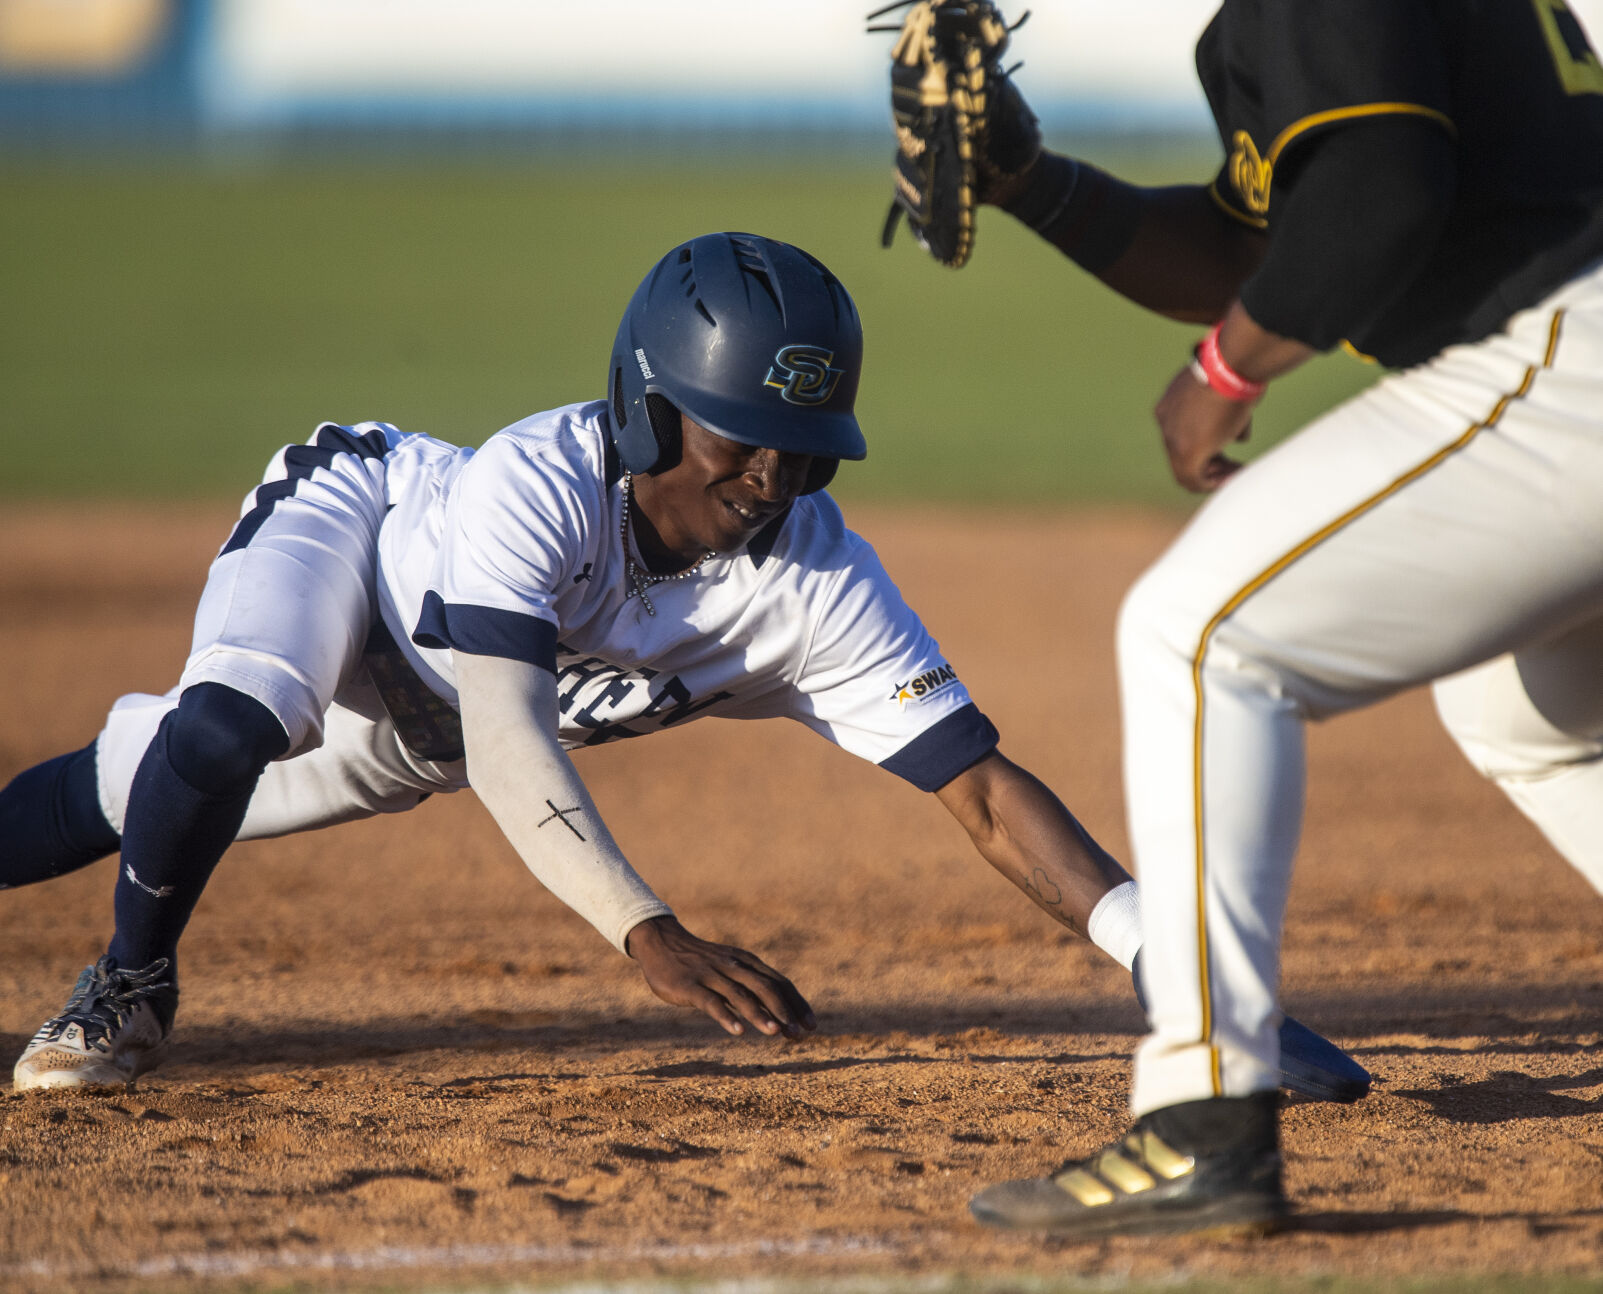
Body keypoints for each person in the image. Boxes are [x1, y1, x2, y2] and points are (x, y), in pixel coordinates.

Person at [0, 231, 1361, 1100]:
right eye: (737, 435)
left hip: (426, 726)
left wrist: (1169, 967)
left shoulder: (811, 575)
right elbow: (511, 742)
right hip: (357, 545)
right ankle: (130, 984)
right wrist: (647, 931)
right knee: (228, 726)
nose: (771, 476)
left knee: (138, 787)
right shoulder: (534, 486)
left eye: (805, 447)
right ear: (649, 407)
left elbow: (983, 794)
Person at [931, 0, 1603, 1240]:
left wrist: (1223, 371)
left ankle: (1203, 1121)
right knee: (1535, 715)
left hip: (1568, 351)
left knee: (1197, 633)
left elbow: (1378, 192)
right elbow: (1260, 249)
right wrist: (1033, 185)